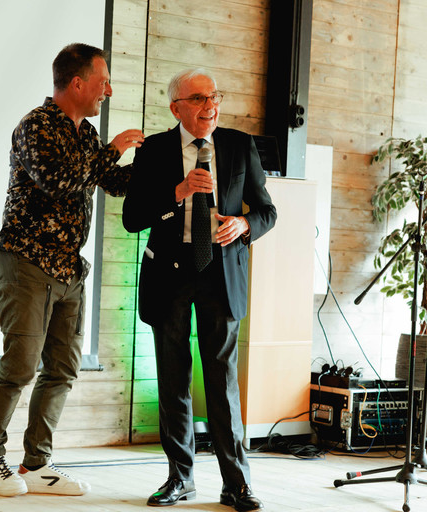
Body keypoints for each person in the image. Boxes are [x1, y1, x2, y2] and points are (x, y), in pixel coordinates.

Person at [0, 43, 144, 497]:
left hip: (69, 268)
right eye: (103, 81)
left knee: (63, 369)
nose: (108, 90)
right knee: (20, 365)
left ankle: (37, 463)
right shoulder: (36, 126)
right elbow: (58, 181)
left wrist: (163, 169)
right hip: (27, 260)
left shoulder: (86, 135)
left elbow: (114, 183)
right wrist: (112, 149)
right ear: (77, 83)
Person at [122, 69, 276, 511]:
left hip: (221, 273)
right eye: (199, 98)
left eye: (214, 97)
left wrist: (244, 224)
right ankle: (180, 478)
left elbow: (266, 211)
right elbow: (133, 218)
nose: (211, 105)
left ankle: (236, 483)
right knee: (174, 381)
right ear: (176, 108)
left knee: (223, 381)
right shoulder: (153, 149)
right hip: (169, 273)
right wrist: (179, 190)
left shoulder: (239, 145)